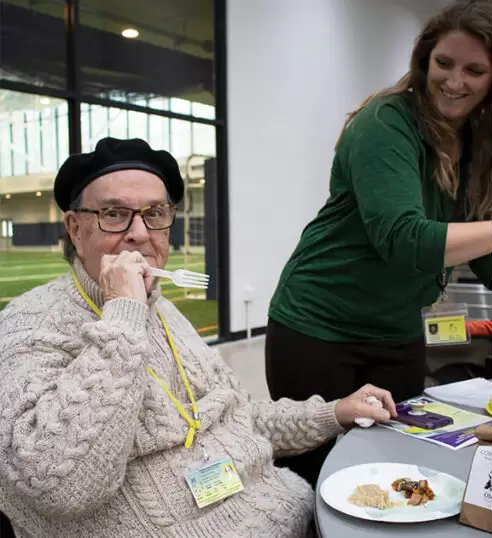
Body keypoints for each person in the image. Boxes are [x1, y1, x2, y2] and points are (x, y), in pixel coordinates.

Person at [0, 138, 398, 538]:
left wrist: (332, 413)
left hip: (284, 512)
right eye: (114, 213)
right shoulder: (29, 324)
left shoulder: (165, 310)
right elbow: (58, 485)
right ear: (75, 228)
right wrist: (123, 315)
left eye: (155, 213)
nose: (139, 232)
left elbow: (235, 417)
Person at [264, 0, 492, 487]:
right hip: (318, 326)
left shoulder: (478, 140)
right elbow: (404, 239)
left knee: (396, 466)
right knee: (317, 476)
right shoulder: (386, 122)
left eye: (475, 70)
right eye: (444, 64)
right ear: (424, 60)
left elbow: (490, 256)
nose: (455, 81)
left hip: (395, 330)